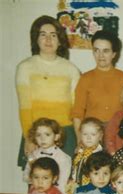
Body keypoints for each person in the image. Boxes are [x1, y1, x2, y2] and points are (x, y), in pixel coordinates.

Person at [16, 15, 80, 164]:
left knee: (65, 182)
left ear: (59, 40)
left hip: (65, 134)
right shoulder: (25, 67)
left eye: (53, 35)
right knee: (37, 182)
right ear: (36, 39)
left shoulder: (71, 69)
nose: (48, 40)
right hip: (37, 134)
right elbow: (25, 108)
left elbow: (77, 108)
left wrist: (78, 137)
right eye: (43, 35)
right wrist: (29, 138)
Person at [71, 30, 123, 140]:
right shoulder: (85, 79)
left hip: (116, 134)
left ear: (114, 54)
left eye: (106, 51)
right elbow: (77, 114)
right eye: (96, 50)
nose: (101, 55)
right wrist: (80, 139)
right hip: (92, 135)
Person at [23, 118, 71, 194]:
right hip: (36, 193)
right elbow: (26, 177)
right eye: (38, 135)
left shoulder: (63, 158)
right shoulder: (33, 155)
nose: (42, 138)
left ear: (56, 137)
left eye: (47, 134)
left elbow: (62, 184)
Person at [70, 117, 104, 191]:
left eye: (93, 134)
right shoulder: (79, 153)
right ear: (80, 135)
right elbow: (74, 169)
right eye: (85, 134)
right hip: (77, 187)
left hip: (93, 190)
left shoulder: (101, 156)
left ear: (100, 136)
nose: (88, 137)